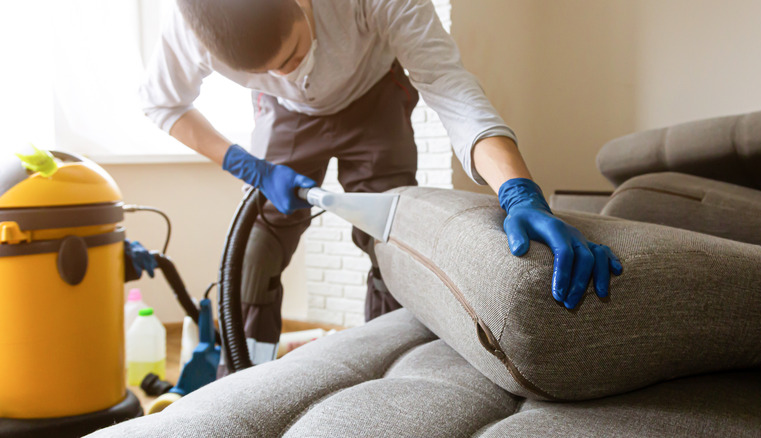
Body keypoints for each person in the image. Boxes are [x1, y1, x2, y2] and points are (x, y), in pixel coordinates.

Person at [140, 0, 622, 359]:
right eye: (258, 72)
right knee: (254, 251)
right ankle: (246, 374)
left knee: (391, 239)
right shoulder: (190, 24)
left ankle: (390, 365)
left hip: (373, 93)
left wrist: (518, 191)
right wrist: (252, 168)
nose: (282, 74)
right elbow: (163, 105)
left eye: (287, 59)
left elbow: (449, 86)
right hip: (283, 117)